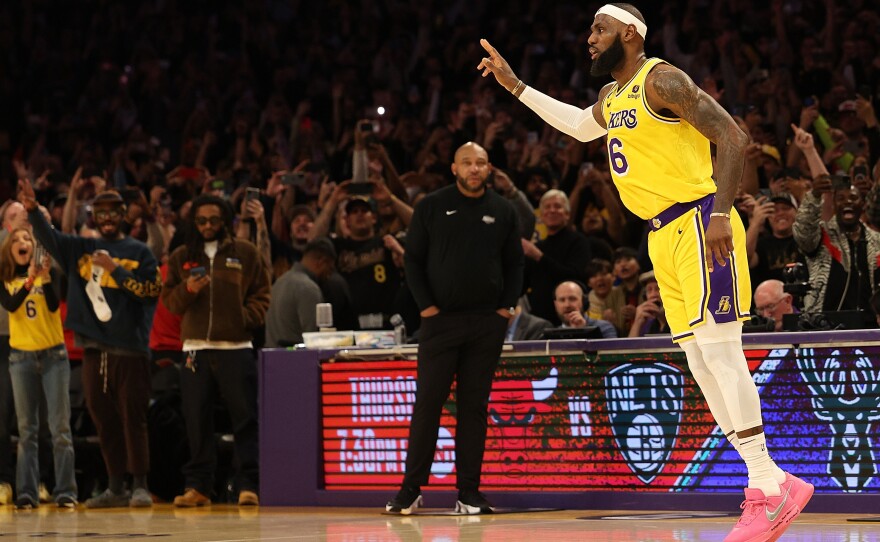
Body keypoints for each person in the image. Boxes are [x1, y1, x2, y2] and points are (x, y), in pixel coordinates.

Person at [478, 4, 812, 539]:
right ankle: (770, 484)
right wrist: (515, 85)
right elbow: (577, 125)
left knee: (723, 355)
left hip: (702, 222)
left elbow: (734, 136)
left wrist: (723, 213)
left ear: (629, 34)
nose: (589, 38)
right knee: (701, 361)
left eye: (599, 28)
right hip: (663, 235)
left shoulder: (662, 79)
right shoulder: (614, 97)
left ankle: (766, 488)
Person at [385, 142, 523, 515]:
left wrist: (505, 309)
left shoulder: (503, 210)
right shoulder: (431, 206)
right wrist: (427, 308)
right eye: (467, 163)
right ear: (454, 168)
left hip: (486, 324)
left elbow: (515, 265)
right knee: (428, 405)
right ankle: (410, 490)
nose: (474, 169)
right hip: (439, 323)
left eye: (480, 163)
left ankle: (468, 493)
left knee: (473, 408)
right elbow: (412, 260)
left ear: (489, 168)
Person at [20, 183, 161, 509]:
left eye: (114, 212)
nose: (108, 218)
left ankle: (139, 483)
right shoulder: (80, 247)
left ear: (124, 216)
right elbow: (52, 240)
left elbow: (150, 292)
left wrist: (117, 271)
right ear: (94, 217)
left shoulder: (140, 252)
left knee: (134, 419)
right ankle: (115, 487)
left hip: (130, 351)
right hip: (94, 350)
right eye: (101, 213)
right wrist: (32, 211)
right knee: (104, 419)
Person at [162, 194, 270, 507]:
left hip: (236, 347)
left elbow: (263, 293)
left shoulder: (245, 253)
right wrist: (187, 290)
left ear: (225, 221)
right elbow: (170, 302)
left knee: (245, 417)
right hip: (195, 348)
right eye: (201, 221)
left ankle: (249, 484)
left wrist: (244, 319)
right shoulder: (181, 255)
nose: (208, 226)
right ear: (193, 223)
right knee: (196, 420)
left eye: (214, 220)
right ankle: (199, 487)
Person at [0, 229, 77, 509]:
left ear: (34, 248)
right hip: (20, 358)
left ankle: (66, 491)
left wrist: (43, 279)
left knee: (59, 428)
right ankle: (27, 493)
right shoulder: (5, 279)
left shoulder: (51, 275)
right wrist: (31, 278)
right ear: (9, 249)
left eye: (28, 240)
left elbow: (56, 306)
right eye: (17, 240)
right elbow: (11, 304)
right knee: (26, 430)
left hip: (53, 356)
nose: (23, 243)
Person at [521, 189, 592, 325]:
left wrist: (539, 257)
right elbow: (522, 285)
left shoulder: (578, 241)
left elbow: (575, 276)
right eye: (547, 207)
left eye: (557, 206)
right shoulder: (537, 248)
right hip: (539, 322)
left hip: (571, 319)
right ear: (541, 216)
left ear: (567, 214)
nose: (552, 210)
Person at [265, 237, 337, 347]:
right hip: (296, 360)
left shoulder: (279, 282)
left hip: (272, 359)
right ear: (321, 262)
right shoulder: (308, 288)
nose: (329, 275)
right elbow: (314, 340)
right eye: (330, 268)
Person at [553, 281, 618, 339]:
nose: (567, 305)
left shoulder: (604, 328)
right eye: (562, 300)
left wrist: (582, 331)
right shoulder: (551, 336)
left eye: (572, 299)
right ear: (555, 304)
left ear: (584, 302)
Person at [628, 271, 670, 337]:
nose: (653, 295)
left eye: (658, 289)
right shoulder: (647, 323)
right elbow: (630, 346)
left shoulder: (682, 320)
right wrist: (637, 322)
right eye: (649, 290)